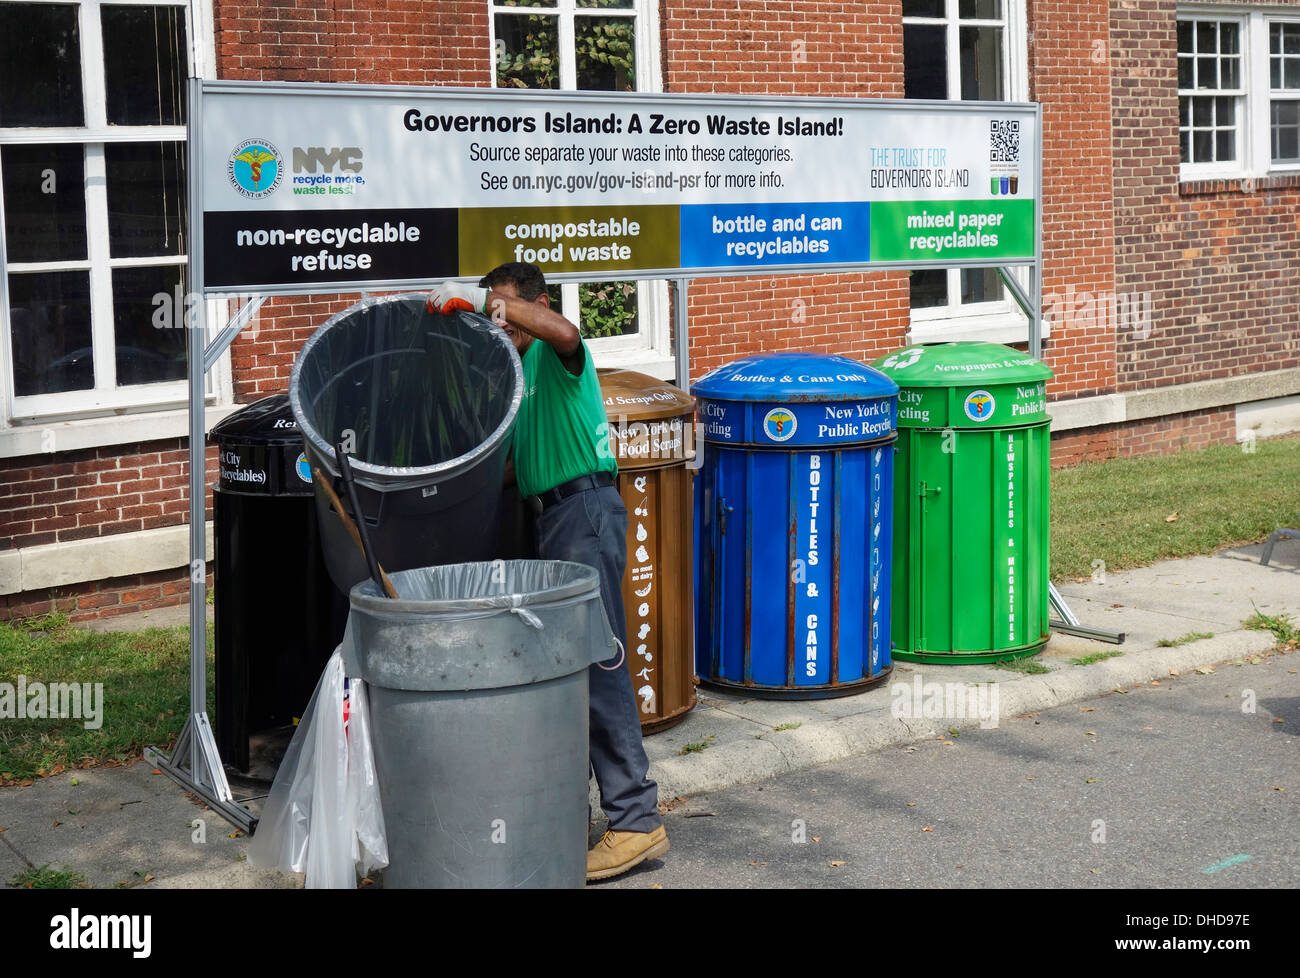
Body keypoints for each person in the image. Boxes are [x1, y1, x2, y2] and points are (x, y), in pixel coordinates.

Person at [427, 263, 668, 882]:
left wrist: (480, 299)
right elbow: (514, 467)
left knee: (598, 660)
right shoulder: (515, 375)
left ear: (531, 304)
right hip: (552, 518)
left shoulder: (560, 355)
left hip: (584, 510)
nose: (497, 322)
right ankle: (588, 810)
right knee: (571, 667)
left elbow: (562, 331)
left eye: (506, 311)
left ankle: (636, 820)